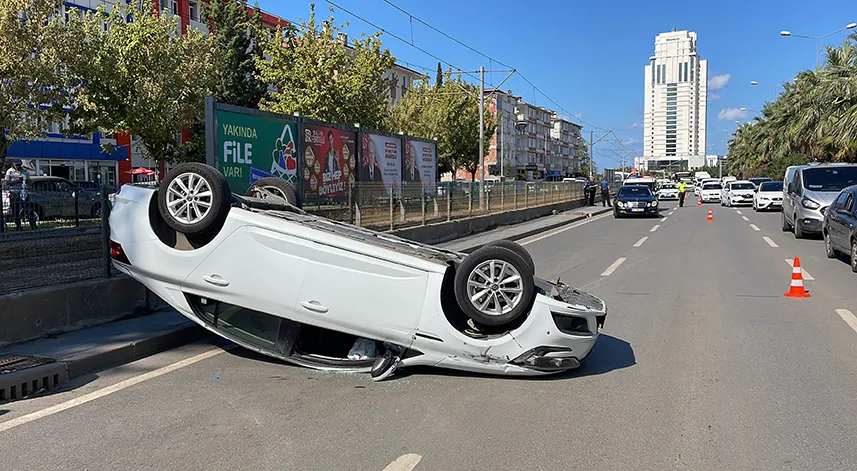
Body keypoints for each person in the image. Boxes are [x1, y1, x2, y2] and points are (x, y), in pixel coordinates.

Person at [4, 158, 37, 231]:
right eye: (16, 165)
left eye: (19, 165)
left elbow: (30, 182)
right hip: (14, 193)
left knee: (29, 209)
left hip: (24, 193)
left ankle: (33, 226)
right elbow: (7, 182)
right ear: (13, 164)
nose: (18, 166)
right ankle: (18, 226)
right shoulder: (10, 171)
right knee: (15, 211)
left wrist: (28, 181)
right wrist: (17, 181)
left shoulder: (25, 171)